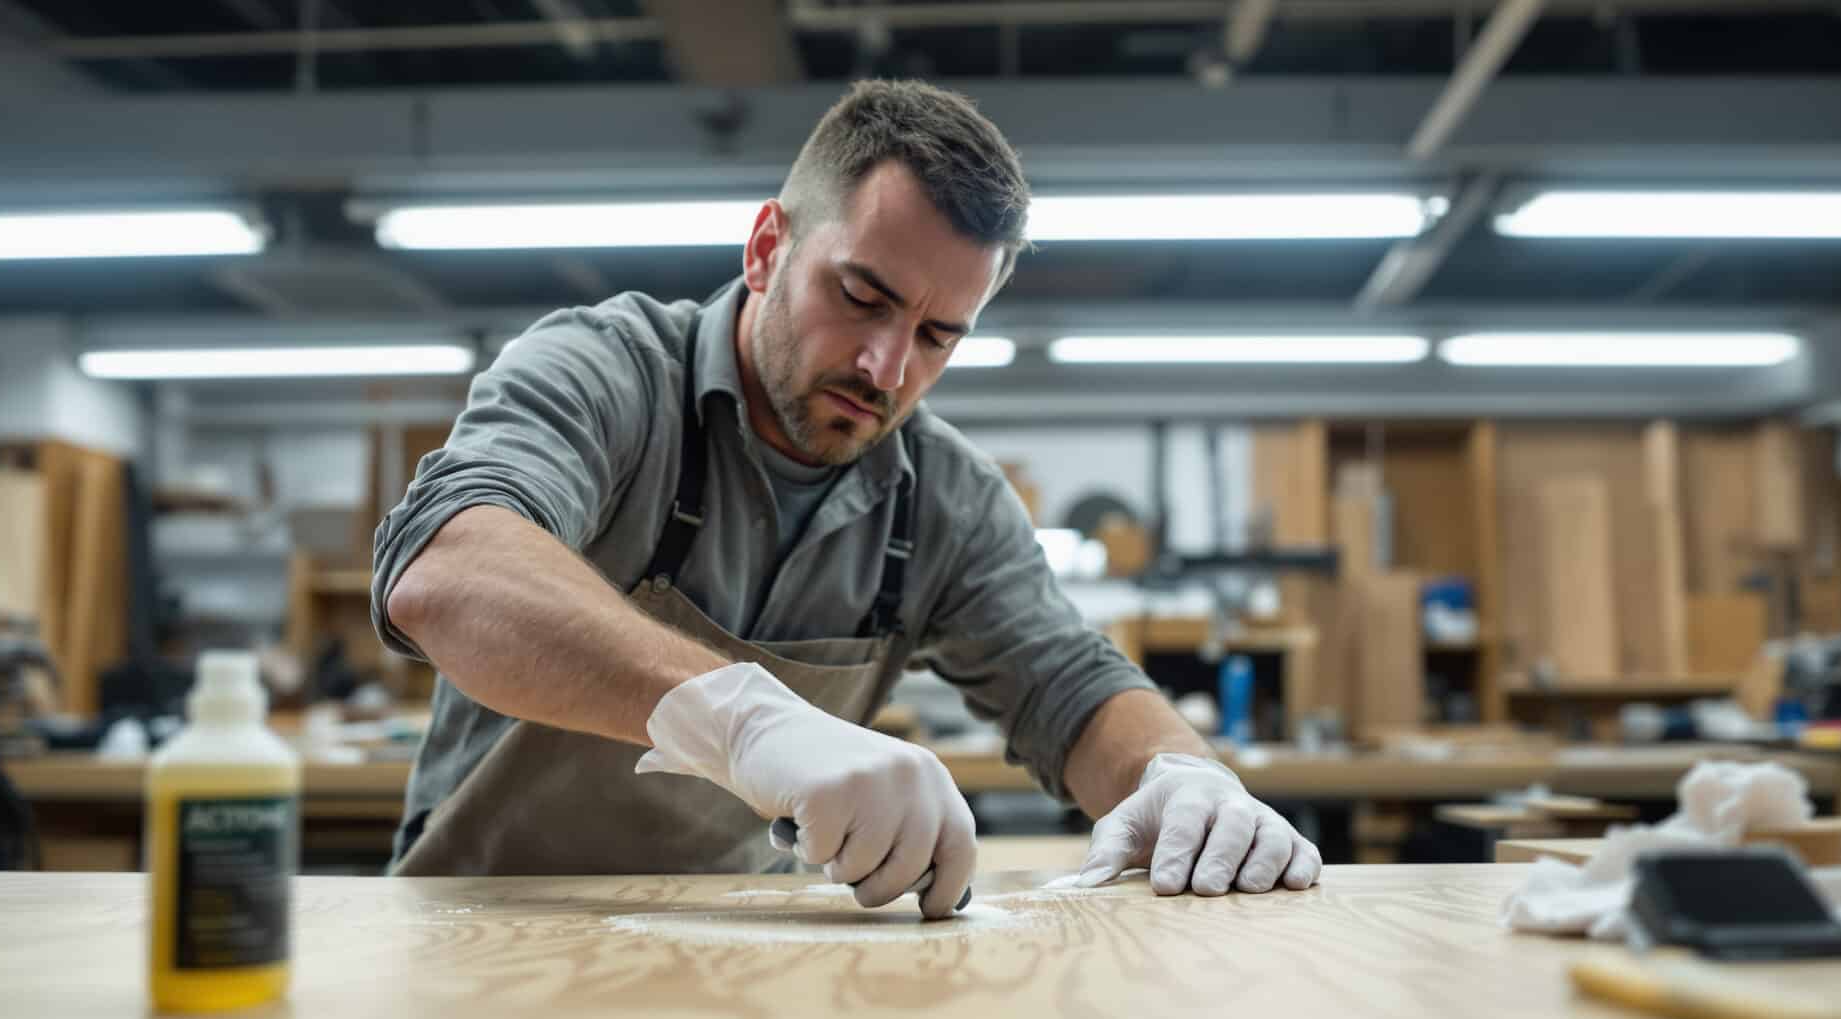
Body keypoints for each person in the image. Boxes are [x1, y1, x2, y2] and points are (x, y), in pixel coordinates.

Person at [372, 79, 1321, 917]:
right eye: (862, 295)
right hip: (486, 930)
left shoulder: (941, 499)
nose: (886, 366)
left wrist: (1181, 774)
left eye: (938, 335)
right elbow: (450, 569)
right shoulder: (607, 373)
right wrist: (742, 718)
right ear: (765, 249)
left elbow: (1069, 685)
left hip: (736, 940)